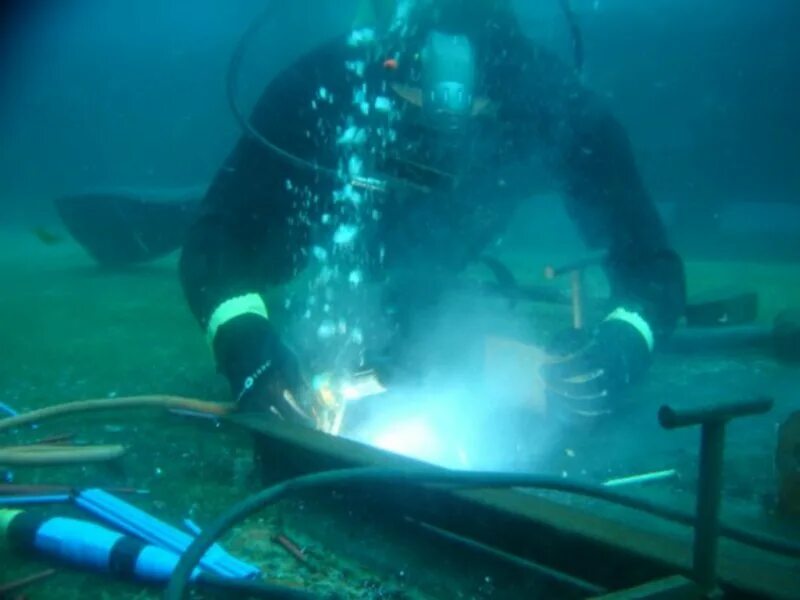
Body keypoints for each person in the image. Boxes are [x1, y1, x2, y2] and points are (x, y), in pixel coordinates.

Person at [179, 0, 686, 427]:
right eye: (414, 114)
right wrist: (243, 339)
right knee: (264, 251)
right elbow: (214, 239)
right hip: (309, 231)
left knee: (421, 293)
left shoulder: (553, 105)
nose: (437, 146)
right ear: (386, 70)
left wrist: (627, 341)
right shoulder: (323, 84)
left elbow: (651, 264)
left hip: (441, 251)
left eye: (471, 122)